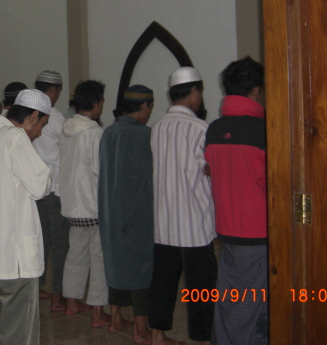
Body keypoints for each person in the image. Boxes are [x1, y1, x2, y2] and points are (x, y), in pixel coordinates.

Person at [0, 89, 51, 345]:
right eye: (42, 125)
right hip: (15, 257)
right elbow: (40, 184)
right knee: (18, 330)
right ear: (32, 116)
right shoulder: (15, 138)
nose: (39, 132)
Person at [150, 68, 217, 345]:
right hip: (195, 222)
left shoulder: (157, 127)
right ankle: (202, 338)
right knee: (201, 286)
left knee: (163, 280)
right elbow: (210, 171)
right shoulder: (200, 129)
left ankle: (158, 335)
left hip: (165, 221)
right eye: (200, 92)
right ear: (194, 91)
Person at [205, 56, 268, 345]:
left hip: (227, 228)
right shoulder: (263, 131)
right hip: (255, 231)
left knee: (229, 298)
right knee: (250, 305)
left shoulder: (215, 129)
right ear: (255, 90)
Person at [98, 84, 155, 344]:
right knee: (141, 268)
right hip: (137, 214)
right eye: (150, 108)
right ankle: (140, 329)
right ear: (143, 107)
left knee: (116, 264)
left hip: (111, 211)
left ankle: (115, 319)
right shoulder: (145, 136)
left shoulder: (108, 133)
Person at [59, 80, 111, 327]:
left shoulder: (66, 128)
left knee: (75, 255)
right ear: (94, 103)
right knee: (98, 259)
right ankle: (98, 313)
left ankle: (71, 303)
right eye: (101, 102)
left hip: (71, 205)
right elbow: (101, 172)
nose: (102, 107)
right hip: (92, 206)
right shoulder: (94, 132)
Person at [32, 70, 69, 309]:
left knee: (41, 238)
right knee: (60, 241)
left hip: (35, 187)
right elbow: (68, 154)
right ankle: (58, 294)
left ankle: (37, 288)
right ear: (53, 91)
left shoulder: (27, 114)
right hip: (54, 188)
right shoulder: (55, 118)